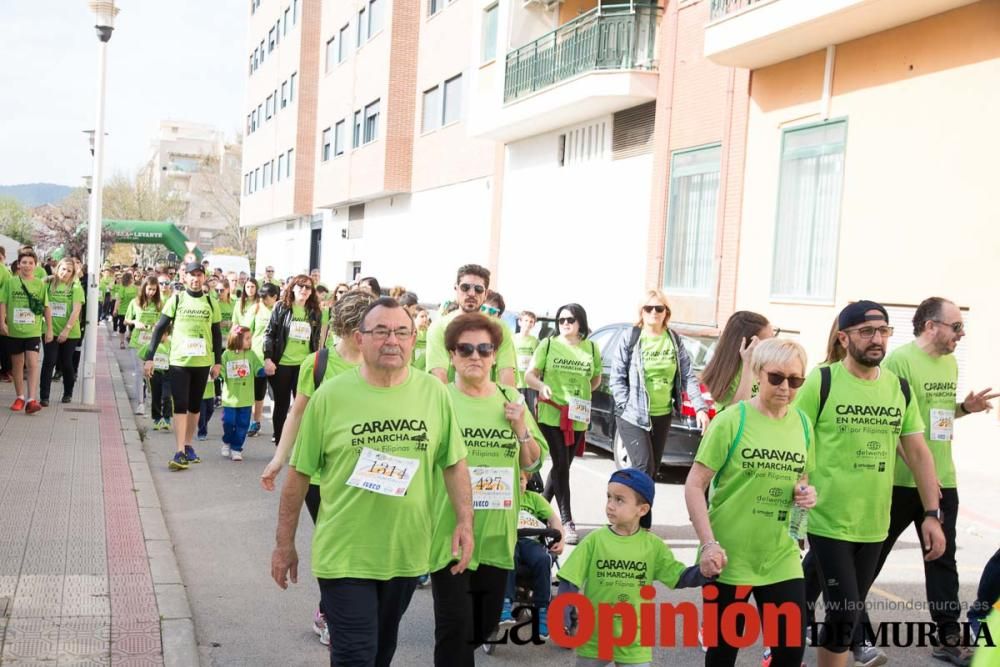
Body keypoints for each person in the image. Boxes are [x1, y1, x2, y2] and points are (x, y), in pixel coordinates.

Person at [271, 297, 474, 667]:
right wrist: (284, 545)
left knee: (380, 651)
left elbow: (454, 463)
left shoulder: (434, 393)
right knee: (355, 656)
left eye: (401, 332)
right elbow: (298, 476)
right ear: (359, 339)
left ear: (415, 339)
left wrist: (464, 522)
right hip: (345, 554)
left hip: (406, 553)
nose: (391, 340)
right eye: (380, 331)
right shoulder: (330, 397)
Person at [793, 301, 946, 667]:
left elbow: (920, 453)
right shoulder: (823, 380)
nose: (877, 339)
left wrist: (931, 514)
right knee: (846, 612)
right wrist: (796, 506)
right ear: (844, 338)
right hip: (828, 519)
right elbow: (795, 440)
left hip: (875, 523)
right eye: (866, 332)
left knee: (842, 620)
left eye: (883, 331)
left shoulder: (898, 388)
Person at [867, 298, 997, 665]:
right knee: (870, 556)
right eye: (956, 326)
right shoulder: (898, 362)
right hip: (899, 483)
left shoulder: (951, 363)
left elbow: (935, 417)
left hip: (944, 478)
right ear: (930, 326)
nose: (961, 333)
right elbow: (890, 424)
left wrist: (963, 409)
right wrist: (921, 475)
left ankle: (949, 638)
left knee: (942, 560)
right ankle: (837, 622)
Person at [685, 338, 817, 666]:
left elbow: (801, 479)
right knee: (722, 654)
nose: (786, 387)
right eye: (776, 377)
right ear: (758, 373)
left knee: (789, 653)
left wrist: (805, 495)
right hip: (730, 559)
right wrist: (708, 545)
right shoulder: (732, 421)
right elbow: (694, 484)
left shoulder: (802, 424)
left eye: (795, 380)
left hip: (780, 557)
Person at [428, 313, 545, 666]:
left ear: (495, 355)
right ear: (452, 355)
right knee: (454, 632)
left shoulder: (511, 399)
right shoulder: (438, 399)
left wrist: (521, 427)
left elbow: (532, 463)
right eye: (465, 349)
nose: (475, 356)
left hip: (497, 536)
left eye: (484, 348)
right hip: (450, 536)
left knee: (482, 627)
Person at [261, 289, 373, 646]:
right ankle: (329, 611)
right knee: (337, 542)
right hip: (322, 475)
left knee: (359, 543)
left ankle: (345, 607)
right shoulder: (318, 363)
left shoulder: (382, 363)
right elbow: (297, 412)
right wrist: (280, 459)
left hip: (368, 474)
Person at [557, 468, 710, 666]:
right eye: (609, 497)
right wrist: (563, 611)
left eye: (619, 500)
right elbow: (569, 579)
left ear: (642, 510)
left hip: (634, 639)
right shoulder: (595, 541)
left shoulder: (653, 546)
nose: (610, 505)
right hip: (595, 636)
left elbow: (678, 577)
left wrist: (705, 572)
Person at [610, 290, 710, 479]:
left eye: (659, 308)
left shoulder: (673, 339)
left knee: (652, 471)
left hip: (662, 415)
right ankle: (637, 507)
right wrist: (625, 404)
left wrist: (700, 408)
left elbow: (687, 375)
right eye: (648, 308)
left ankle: (639, 508)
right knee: (643, 467)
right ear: (641, 312)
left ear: (666, 312)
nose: (653, 312)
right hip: (633, 415)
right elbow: (617, 377)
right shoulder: (631, 337)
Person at [525, 303, 601, 545]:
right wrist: (542, 387)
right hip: (552, 413)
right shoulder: (548, 344)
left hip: (578, 415)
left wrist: (582, 394)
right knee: (560, 463)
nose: (565, 324)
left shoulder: (591, 348)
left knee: (562, 466)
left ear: (581, 322)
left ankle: (537, 512)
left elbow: (596, 378)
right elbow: (529, 375)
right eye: (561, 320)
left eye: (569, 319)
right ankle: (567, 521)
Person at [143, 262, 222, 471]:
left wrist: (218, 362)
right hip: (179, 361)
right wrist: (150, 357)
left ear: (204, 278)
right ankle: (178, 451)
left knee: (195, 406)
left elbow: (216, 333)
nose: (196, 278)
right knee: (180, 403)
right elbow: (159, 329)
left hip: (202, 362)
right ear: (185, 278)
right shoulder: (176, 299)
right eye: (192, 275)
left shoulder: (211, 302)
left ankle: (188, 445)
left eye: (199, 275)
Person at [425, 264, 516, 387]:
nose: (472, 293)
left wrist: (512, 403)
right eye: (465, 287)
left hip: (489, 402)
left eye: (478, 289)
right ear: (456, 289)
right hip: (450, 402)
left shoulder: (499, 328)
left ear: (486, 294)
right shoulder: (439, 327)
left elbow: (506, 373)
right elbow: (439, 375)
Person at [499, 470, 564, 629]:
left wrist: (560, 539)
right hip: (509, 540)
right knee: (508, 554)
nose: (517, 483)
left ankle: (542, 609)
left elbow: (554, 519)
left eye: (520, 479)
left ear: (527, 480)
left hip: (531, 540)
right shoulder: (501, 497)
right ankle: (505, 603)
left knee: (544, 559)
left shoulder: (534, 499)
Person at [263, 274, 322, 444]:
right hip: (282, 364)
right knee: (281, 405)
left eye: (308, 287)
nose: (304, 290)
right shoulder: (281, 307)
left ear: (311, 292)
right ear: (293, 288)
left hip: (305, 365)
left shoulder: (314, 312)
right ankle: (280, 442)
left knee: (302, 406)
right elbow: (269, 334)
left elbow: (316, 339)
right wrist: (268, 358)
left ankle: (298, 443)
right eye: (300, 286)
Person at [0, 248, 52, 414]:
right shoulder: (10, 282)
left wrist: (49, 329)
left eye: (30, 263)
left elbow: (46, 307)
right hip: (14, 330)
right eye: (24, 263)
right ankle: (20, 397)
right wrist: (2, 322)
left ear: (35, 266)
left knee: (32, 363)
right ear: (18, 265)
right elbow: (3, 303)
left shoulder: (39, 284)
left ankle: (31, 399)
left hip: (33, 331)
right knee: (17, 365)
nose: (27, 266)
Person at [700, 311, 774, 412]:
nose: (773, 346)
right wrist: (748, 363)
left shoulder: (763, 367)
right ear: (748, 343)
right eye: (767, 342)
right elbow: (738, 412)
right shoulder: (731, 371)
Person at [39, 258, 84, 406]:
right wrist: (50, 329)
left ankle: (68, 393)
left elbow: (76, 310)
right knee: (49, 361)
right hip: (50, 329)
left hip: (70, 332)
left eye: (69, 270)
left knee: (66, 363)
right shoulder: (48, 284)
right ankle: (44, 396)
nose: (65, 273)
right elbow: (43, 303)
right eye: (63, 269)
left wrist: (66, 330)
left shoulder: (75, 287)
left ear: (73, 273)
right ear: (57, 268)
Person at [219, 325, 266, 461]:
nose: (250, 341)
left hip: (246, 399)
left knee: (243, 425)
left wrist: (266, 371)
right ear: (237, 339)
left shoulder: (251, 355)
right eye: (247, 338)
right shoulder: (226, 355)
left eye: (250, 338)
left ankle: (236, 448)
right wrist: (214, 374)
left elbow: (258, 369)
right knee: (228, 422)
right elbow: (221, 373)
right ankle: (227, 440)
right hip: (230, 399)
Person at [123, 276, 163, 414]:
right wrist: (135, 322)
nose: (151, 292)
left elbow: (164, 322)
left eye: (154, 289)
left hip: (152, 342)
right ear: (144, 287)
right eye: (149, 289)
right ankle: (140, 402)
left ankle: (153, 400)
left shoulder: (159, 304)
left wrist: (157, 326)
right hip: (137, 342)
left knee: (151, 373)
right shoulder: (135, 302)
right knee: (139, 371)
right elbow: (126, 320)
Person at [248, 282, 279, 437]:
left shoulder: (280, 309)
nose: (262, 300)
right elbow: (247, 332)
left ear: (274, 297)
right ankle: (256, 421)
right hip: (257, 357)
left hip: (276, 358)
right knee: (258, 393)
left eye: (265, 297)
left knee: (276, 394)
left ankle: (277, 427)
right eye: (260, 297)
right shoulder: (255, 309)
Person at [140, 324, 173, 431]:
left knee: (166, 396)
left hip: (168, 374)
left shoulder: (171, 345)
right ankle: (157, 418)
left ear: (167, 334)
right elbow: (142, 355)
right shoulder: (152, 344)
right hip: (155, 373)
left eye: (160, 334)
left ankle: (167, 418)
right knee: (156, 396)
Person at [513, 310, 539, 414]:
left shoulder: (535, 341)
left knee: (530, 412)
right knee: (515, 409)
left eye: (531, 321)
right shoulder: (512, 338)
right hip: (515, 381)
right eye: (526, 320)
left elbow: (538, 361)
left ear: (533, 325)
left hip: (529, 384)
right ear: (519, 322)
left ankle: (529, 430)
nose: (528, 324)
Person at [113, 272, 138, 349]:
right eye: (132, 278)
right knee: (122, 327)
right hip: (123, 311)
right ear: (130, 279)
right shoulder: (122, 288)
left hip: (133, 311)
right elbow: (118, 300)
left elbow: (138, 299)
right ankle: (122, 342)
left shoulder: (135, 288)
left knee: (133, 327)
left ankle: (129, 336)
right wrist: (115, 309)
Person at [411, 305, 430, 370]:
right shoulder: (411, 334)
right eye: (422, 316)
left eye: (426, 316)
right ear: (414, 318)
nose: (425, 319)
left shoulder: (430, 333)